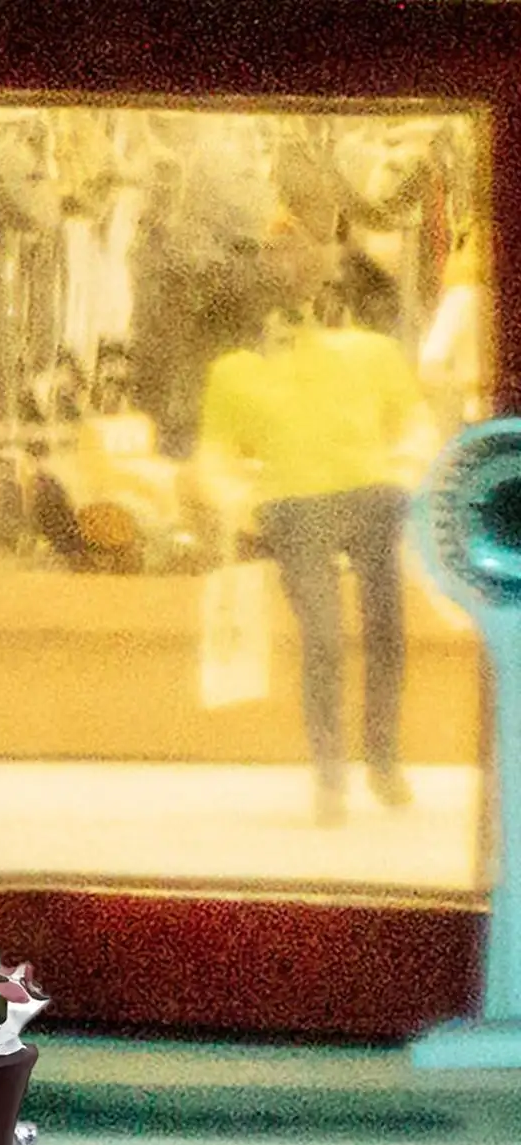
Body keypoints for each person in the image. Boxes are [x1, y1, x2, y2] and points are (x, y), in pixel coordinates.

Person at [197, 222, 439, 826]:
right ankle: (332, 776)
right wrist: (245, 505)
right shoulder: (235, 372)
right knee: (324, 640)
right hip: (296, 506)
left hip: (369, 494)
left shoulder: (370, 353)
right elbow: (214, 457)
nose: (291, 274)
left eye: (300, 257)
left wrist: (403, 474)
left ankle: (382, 761)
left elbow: (415, 423)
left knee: (385, 633)